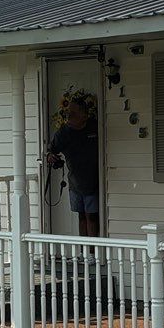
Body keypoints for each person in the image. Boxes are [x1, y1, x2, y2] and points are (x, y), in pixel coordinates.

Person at [47, 91, 101, 238]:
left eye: (73, 113)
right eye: (68, 112)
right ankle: (83, 249)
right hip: (75, 183)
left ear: (84, 115)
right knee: (81, 216)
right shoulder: (64, 132)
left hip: (94, 182)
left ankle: (93, 250)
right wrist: (50, 156)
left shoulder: (94, 127)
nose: (69, 115)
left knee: (92, 217)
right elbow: (51, 150)